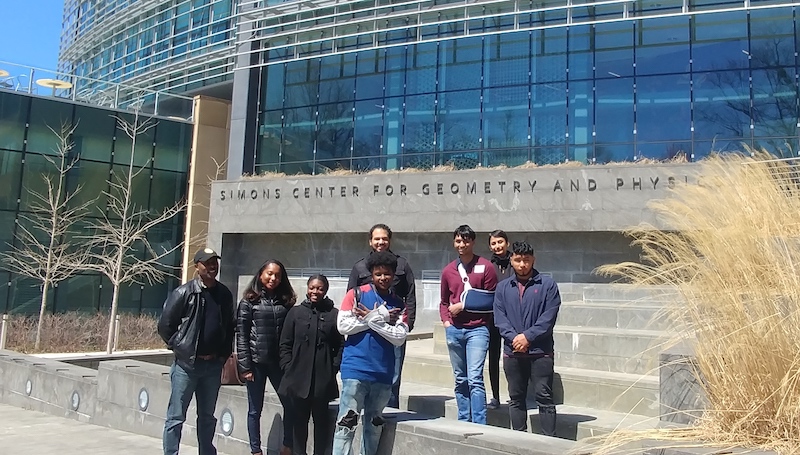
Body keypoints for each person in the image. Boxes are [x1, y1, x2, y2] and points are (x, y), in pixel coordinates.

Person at [158, 248, 235, 455]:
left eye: (214, 262)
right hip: (187, 366)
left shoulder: (224, 294)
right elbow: (165, 325)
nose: (212, 266)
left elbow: (229, 327)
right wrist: (180, 346)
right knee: (176, 417)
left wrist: (222, 356)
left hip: (212, 366)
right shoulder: (184, 293)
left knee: (207, 417)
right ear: (197, 267)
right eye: (207, 263)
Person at [334, 252, 409, 455]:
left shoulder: (400, 304)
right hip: (355, 371)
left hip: (383, 375)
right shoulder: (356, 294)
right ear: (371, 274)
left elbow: (399, 337)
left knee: (373, 428)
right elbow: (343, 326)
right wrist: (381, 316)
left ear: (393, 275)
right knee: (346, 426)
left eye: (387, 274)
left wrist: (371, 318)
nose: (383, 278)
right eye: (378, 274)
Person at [493, 241, 561, 436]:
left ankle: (550, 442)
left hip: (540, 352)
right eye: (518, 260)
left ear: (533, 260)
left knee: (544, 397)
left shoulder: (547, 285)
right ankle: (519, 440)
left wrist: (527, 337)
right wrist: (515, 338)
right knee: (516, 398)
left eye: (526, 260)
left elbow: (548, 318)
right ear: (512, 260)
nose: (522, 265)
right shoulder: (503, 287)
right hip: (512, 352)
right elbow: (500, 318)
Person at [347, 223, 416, 409]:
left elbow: (410, 296)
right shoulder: (360, 266)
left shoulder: (402, 265)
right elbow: (351, 297)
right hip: (366, 329)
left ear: (390, 240)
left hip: (393, 328)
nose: (380, 242)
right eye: (376, 238)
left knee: (393, 373)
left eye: (384, 238)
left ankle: (390, 410)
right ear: (370, 241)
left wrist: (407, 324)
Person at [279, 275, 344, 455]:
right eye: (313, 288)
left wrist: (333, 368)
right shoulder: (296, 312)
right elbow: (285, 342)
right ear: (307, 288)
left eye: (320, 288)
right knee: (299, 423)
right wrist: (287, 366)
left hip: (322, 379)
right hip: (298, 378)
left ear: (326, 290)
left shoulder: (333, 314)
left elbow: (340, 345)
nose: (316, 292)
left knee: (321, 424)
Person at [236, 260, 296, 455]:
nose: (273, 278)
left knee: (290, 403)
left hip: (278, 364)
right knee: (255, 410)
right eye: (269, 274)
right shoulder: (249, 301)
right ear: (261, 274)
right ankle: (255, 450)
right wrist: (245, 367)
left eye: (277, 275)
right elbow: (242, 335)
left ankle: (287, 445)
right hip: (255, 364)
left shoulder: (286, 302)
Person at [440, 225, 498, 425]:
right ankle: (463, 419)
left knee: (474, 378)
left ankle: (480, 423)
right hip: (454, 329)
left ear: (472, 242)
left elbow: (492, 300)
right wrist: (446, 322)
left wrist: (464, 305)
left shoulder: (486, 267)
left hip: (478, 329)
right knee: (460, 379)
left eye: (465, 241)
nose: (461, 244)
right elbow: (444, 301)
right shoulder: (448, 270)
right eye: (458, 241)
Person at [487, 229, 513, 410]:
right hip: (492, 318)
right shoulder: (487, 265)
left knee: (513, 357)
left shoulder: (516, 261)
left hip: (513, 317)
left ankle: (515, 395)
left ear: (507, 243)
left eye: (500, 242)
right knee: (493, 357)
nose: (497, 246)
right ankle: (495, 396)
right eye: (494, 243)